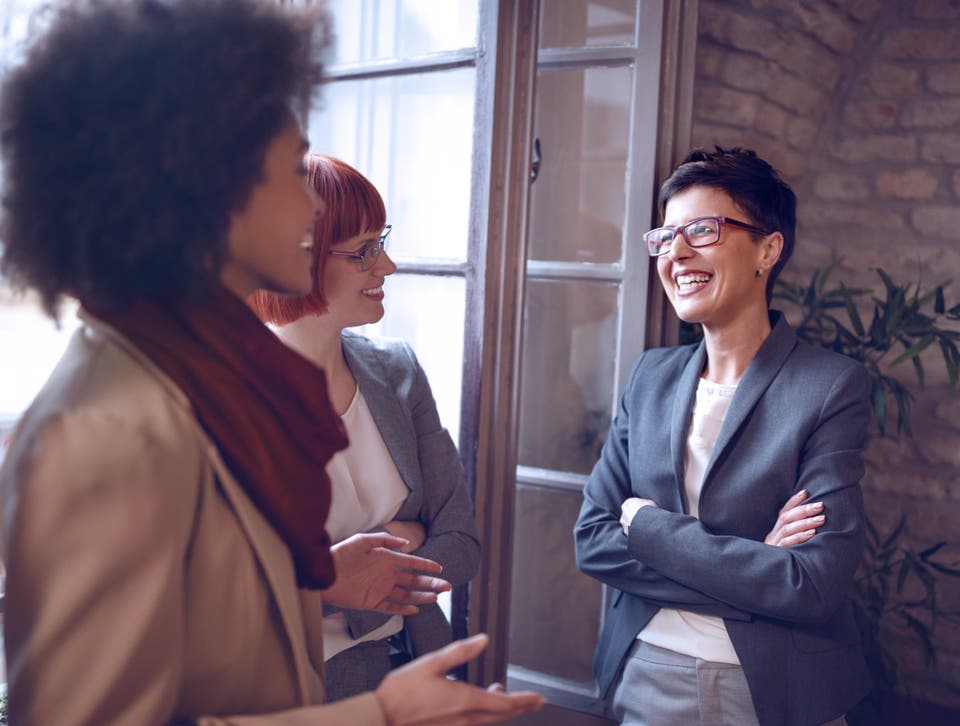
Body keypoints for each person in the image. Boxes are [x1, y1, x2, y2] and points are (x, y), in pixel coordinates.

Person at [0, 1, 543, 724]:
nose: (312, 211)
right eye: (290, 171)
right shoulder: (108, 428)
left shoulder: (203, 377)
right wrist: (380, 714)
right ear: (200, 189)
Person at [574, 147, 872, 726]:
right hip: (644, 671)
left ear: (768, 248)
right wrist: (758, 563)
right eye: (665, 235)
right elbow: (593, 539)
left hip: (771, 687)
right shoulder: (650, 376)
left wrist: (650, 528)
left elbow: (812, 584)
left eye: (702, 230)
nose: (676, 252)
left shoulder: (831, 387)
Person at [248, 154, 481, 700]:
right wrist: (332, 581)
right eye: (364, 251)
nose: (388, 266)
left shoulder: (397, 370)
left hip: (414, 670)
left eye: (383, 241)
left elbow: (462, 542)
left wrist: (361, 571)